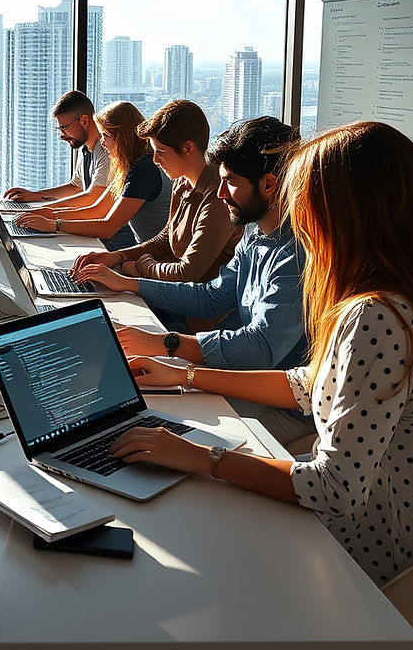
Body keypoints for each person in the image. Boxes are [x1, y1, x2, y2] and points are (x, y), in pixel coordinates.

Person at [112, 121, 413, 587]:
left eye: (305, 202)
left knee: (191, 543)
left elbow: (335, 488)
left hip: (362, 564)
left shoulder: (375, 316)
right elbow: (307, 384)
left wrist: (205, 458)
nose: (297, 218)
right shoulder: (398, 298)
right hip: (371, 539)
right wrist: (184, 375)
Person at [100, 116, 311, 444]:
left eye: (231, 182)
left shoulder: (296, 254)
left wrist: (167, 344)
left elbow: (260, 349)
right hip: (242, 379)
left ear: (269, 184)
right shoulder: (255, 230)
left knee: (165, 430)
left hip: (282, 407)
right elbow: (213, 296)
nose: (222, 193)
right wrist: (130, 284)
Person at [71, 100, 241, 292]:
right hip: (171, 291)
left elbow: (189, 273)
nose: (155, 160)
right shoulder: (182, 182)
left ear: (188, 148)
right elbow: (165, 240)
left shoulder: (218, 196)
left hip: (195, 314)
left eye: (160, 152)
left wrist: (139, 268)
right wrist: (118, 257)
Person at [16, 100, 171, 247]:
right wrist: (49, 214)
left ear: (123, 137)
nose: (102, 142)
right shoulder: (129, 166)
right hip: (146, 251)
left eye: (106, 135)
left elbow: (107, 226)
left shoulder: (143, 170)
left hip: (157, 257)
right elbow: (97, 209)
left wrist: (55, 223)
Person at [3, 90, 109, 206]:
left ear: (84, 121)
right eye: (59, 130)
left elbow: (93, 197)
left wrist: (43, 211)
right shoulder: (84, 146)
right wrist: (34, 195)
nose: (62, 136)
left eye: (65, 128)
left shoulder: (107, 150)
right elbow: (76, 186)